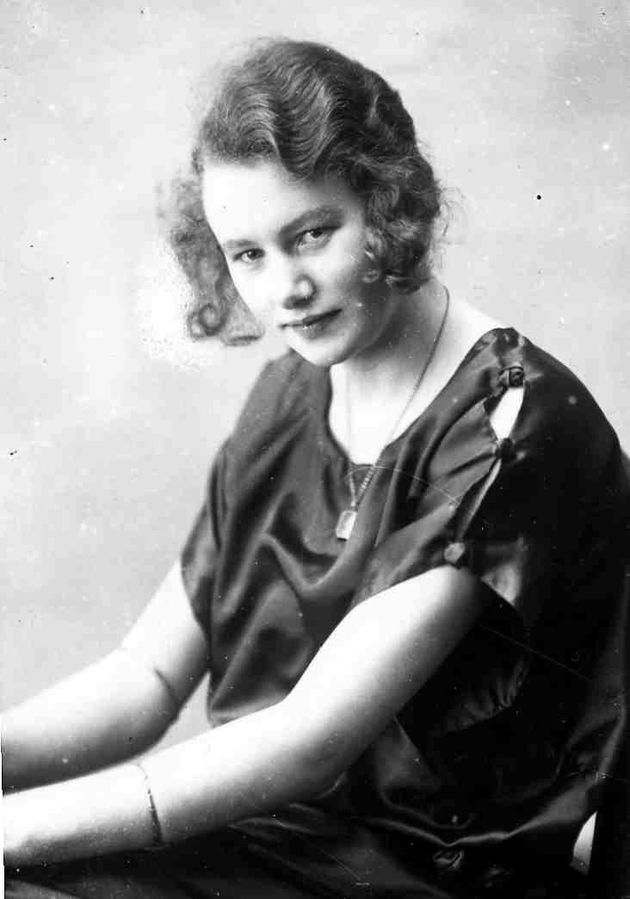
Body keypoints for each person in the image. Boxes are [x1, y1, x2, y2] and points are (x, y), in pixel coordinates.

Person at [3, 38, 629, 899]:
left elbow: (310, 742)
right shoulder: (287, 401)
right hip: (286, 840)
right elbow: (146, 676)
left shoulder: (508, 423)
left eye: (311, 234)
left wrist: (13, 827)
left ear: (390, 204)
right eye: (248, 254)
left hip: (445, 873)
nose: (285, 288)